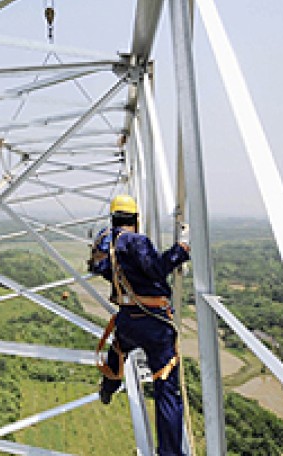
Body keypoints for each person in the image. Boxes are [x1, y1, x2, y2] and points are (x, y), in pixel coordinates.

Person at [88, 194, 191, 456]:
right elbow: (156, 268)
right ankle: (169, 452)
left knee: (119, 348)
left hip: (128, 319)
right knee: (165, 386)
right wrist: (181, 250)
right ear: (135, 218)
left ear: (113, 218)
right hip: (154, 322)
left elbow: (98, 267)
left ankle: (108, 387)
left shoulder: (105, 241)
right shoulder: (135, 241)